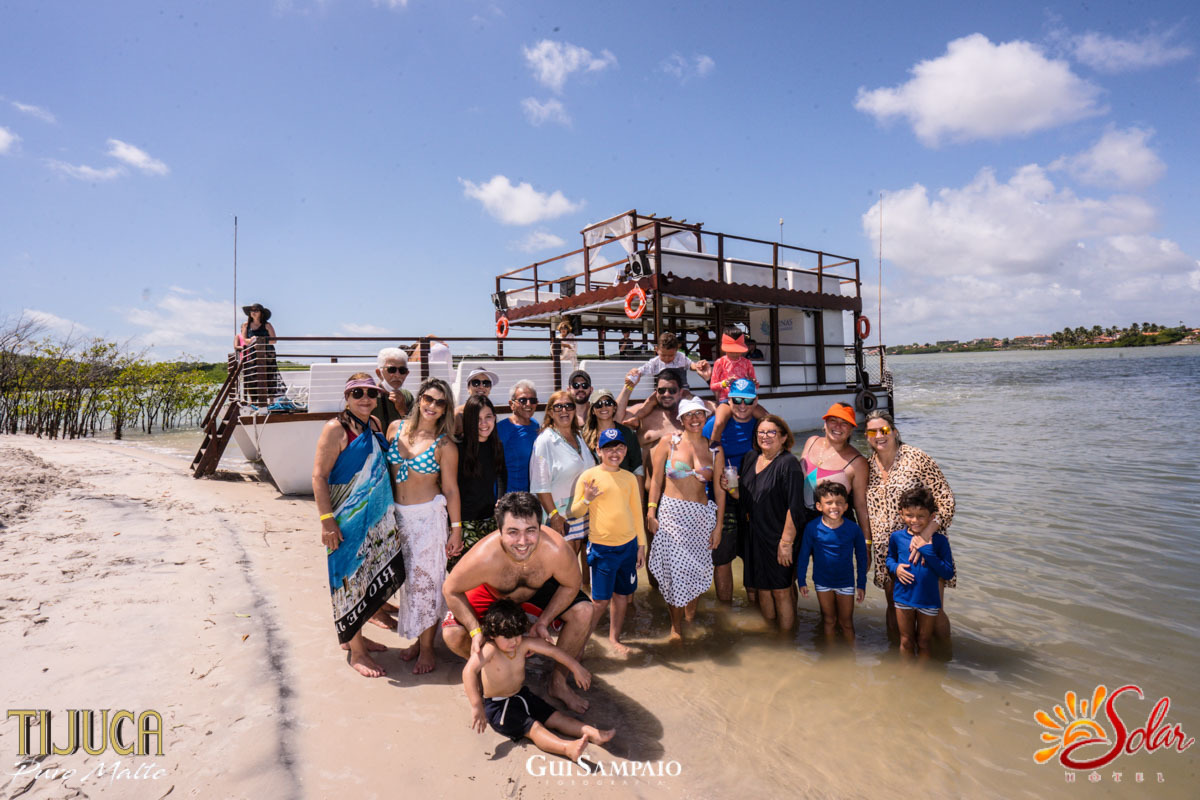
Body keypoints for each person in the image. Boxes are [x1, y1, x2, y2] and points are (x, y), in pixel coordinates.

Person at [442, 491, 596, 713]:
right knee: (453, 634)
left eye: (530, 531)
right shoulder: (484, 557)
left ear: (540, 527)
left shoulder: (557, 550)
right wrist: (475, 631)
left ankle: (558, 683)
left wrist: (544, 621)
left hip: (538, 589)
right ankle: (493, 668)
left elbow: (572, 585)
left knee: (583, 611)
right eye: (513, 532)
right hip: (493, 594)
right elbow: (450, 590)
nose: (522, 542)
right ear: (500, 530)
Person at [312, 374, 407, 678]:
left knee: (368, 575)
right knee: (350, 579)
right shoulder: (335, 429)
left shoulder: (375, 425)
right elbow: (318, 477)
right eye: (357, 393)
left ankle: (356, 635)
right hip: (346, 518)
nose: (365, 398)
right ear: (347, 397)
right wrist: (326, 521)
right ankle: (357, 652)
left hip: (376, 516)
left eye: (370, 393)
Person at [463, 599, 614, 760]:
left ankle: (593, 734)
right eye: (507, 637)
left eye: (517, 635)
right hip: (500, 706)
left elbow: (552, 650)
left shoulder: (523, 644)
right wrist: (477, 705)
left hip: (522, 695)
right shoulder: (490, 649)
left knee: (556, 717)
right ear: (492, 634)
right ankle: (566, 748)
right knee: (535, 728)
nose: (514, 641)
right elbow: (469, 672)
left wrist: (576, 667)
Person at [385, 377, 462, 674]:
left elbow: (451, 489)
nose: (432, 406)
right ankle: (419, 640)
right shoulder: (395, 429)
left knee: (427, 585)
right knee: (408, 583)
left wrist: (456, 529)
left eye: (440, 402)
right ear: (419, 399)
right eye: (428, 399)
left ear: (446, 410)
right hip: (397, 518)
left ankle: (428, 648)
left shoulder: (445, 445)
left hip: (428, 520)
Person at [864, 410, 956, 642]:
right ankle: (900, 666)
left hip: (924, 549)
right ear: (866, 436)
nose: (879, 435)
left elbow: (946, 500)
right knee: (895, 609)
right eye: (872, 431)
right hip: (888, 552)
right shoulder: (867, 467)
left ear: (894, 432)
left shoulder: (916, 458)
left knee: (932, 613)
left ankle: (944, 660)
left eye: (884, 430)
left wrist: (925, 535)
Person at [647, 398, 723, 641]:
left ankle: (690, 618)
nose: (694, 419)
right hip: (671, 513)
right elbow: (657, 480)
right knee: (675, 571)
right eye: (688, 415)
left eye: (699, 414)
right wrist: (651, 511)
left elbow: (720, 490)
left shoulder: (714, 449)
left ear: (705, 417)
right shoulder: (668, 443)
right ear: (680, 419)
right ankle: (676, 627)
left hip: (701, 517)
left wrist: (719, 525)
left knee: (698, 570)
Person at [569, 428, 646, 655]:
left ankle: (614, 638)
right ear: (598, 451)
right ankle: (580, 642)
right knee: (600, 601)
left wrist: (641, 546)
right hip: (602, 548)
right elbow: (574, 512)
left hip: (628, 547)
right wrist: (587, 499)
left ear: (625, 450)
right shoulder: (589, 476)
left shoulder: (630, 478)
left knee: (622, 596)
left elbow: (636, 513)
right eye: (609, 448)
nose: (615, 452)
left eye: (620, 447)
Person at [722, 414, 802, 632]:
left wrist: (786, 543)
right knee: (762, 589)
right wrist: (731, 489)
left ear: (784, 437)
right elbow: (745, 497)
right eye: (761, 432)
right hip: (753, 535)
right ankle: (771, 638)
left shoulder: (789, 464)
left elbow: (795, 508)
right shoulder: (750, 458)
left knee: (781, 590)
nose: (765, 436)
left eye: (771, 432)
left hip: (778, 537)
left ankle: (787, 640)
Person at [704, 378, 758, 604]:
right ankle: (725, 613)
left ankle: (757, 610)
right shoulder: (714, 424)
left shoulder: (760, 426)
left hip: (749, 496)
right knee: (722, 557)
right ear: (729, 400)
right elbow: (701, 458)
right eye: (737, 400)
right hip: (719, 497)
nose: (742, 405)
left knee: (753, 555)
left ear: (755, 401)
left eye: (748, 400)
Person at [886, 487, 955, 661]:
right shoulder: (896, 537)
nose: (914, 520)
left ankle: (922, 677)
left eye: (921, 516)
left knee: (924, 642)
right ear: (901, 514)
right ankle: (908, 677)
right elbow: (889, 560)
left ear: (932, 517)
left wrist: (927, 551)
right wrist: (896, 568)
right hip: (903, 598)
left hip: (929, 601)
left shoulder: (939, 541)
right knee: (906, 641)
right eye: (909, 515)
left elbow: (947, 573)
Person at [797, 481, 867, 644]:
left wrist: (861, 584)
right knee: (829, 621)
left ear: (846, 506)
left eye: (839, 502)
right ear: (819, 506)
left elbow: (861, 557)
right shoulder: (812, 527)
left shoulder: (853, 528)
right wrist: (801, 580)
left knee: (846, 623)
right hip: (822, 582)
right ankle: (830, 655)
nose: (834, 506)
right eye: (829, 502)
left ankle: (852, 657)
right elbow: (804, 555)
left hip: (846, 583)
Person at [531, 389, 596, 555]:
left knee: (574, 566)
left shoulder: (579, 436)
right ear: (551, 412)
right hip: (560, 516)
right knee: (562, 569)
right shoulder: (545, 441)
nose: (564, 411)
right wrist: (554, 517)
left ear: (575, 410)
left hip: (581, 513)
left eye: (568, 406)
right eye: (558, 407)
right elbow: (540, 485)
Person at [450, 395, 506, 571]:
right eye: (477, 419)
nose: (483, 423)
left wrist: (500, 499)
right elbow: (451, 491)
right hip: (464, 525)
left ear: (495, 418)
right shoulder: (457, 448)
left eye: (488, 417)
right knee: (465, 578)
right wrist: (455, 529)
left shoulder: (496, 445)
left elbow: (502, 475)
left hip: (489, 522)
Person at [705, 329, 768, 445]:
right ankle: (713, 447)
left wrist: (754, 383)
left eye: (737, 351)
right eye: (731, 351)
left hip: (747, 399)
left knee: (768, 418)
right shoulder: (720, 362)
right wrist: (724, 384)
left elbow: (755, 385)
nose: (734, 353)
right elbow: (713, 386)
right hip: (727, 400)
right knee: (718, 422)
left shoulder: (747, 363)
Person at [582, 388, 643, 491]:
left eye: (608, 403)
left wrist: (640, 503)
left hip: (622, 491)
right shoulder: (584, 435)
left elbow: (637, 469)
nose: (604, 407)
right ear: (592, 410)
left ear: (615, 407)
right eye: (598, 404)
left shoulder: (627, 433)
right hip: (593, 494)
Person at [497, 380, 539, 493]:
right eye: (522, 400)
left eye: (533, 400)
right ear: (512, 404)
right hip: (510, 496)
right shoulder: (501, 429)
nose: (528, 404)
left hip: (532, 495)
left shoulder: (535, 425)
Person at [239, 303, 281, 405]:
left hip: (268, 353)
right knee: (252, 375)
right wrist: (252, 340)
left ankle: (271, 400)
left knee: (270, 376)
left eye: (256, 310)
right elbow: (244, 340)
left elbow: (274, 340)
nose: (253, 312)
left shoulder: (267, 325)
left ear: (261, 313)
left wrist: (262, 341)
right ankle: (253, 400)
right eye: (252, 310)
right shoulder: (246, 325)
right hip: (253, 353)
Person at [373, 346, 413, 431]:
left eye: (402, 370)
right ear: (379, 373)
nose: (397, 375)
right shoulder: (369, 396)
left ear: (407, 374)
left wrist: (403, 410)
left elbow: (415, 429)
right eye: (392, 370)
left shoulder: (407, 396)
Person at [455, 367, 498, 437]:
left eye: (486, 383)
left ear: (490, 389)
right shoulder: (457, 415)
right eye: (476, 383)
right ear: (468, 388)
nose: (481, 386)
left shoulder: (491, 413)